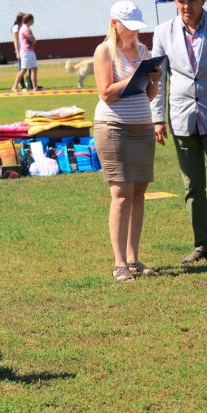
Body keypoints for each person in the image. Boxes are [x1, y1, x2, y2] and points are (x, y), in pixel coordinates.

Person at [94, 1, 161, 281]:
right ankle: (119, 263)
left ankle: (133, 259)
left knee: (138, 194)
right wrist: (135, 76)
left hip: (142, 128)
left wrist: (153, 79)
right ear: (114, 24)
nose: (134, 33)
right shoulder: (104, 51)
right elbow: (106, 93)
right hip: (114, 129)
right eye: (129, 27)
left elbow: (147, 96)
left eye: (137, 28)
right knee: (120, 196)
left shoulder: (144, 51)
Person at [152, 0, 207, 264]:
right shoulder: (163, 32)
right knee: (192, 186)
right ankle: (202, 244)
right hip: (183, 119)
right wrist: (157, 119)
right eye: (181, 0)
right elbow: (159, 78)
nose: (186, 5)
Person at [11, 14, 39, 93]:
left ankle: (35, 87)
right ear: (29, 20)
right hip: (26, 51)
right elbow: (31, 39)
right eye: (32, 20)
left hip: (30, 51)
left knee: (34, 69)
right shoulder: (25, 28)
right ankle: (14, 86)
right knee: (23, 70)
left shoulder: (27, 28)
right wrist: (34, 40)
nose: (33, 21)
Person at [12, 12, 32, 90]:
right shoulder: (16, 27)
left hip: (27, 49)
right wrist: (17, 51)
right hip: (21, 50)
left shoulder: (25, 27)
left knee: (31, 67)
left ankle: (30, 84)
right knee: (22, 68)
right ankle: (22, 85)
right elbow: (15, 40)